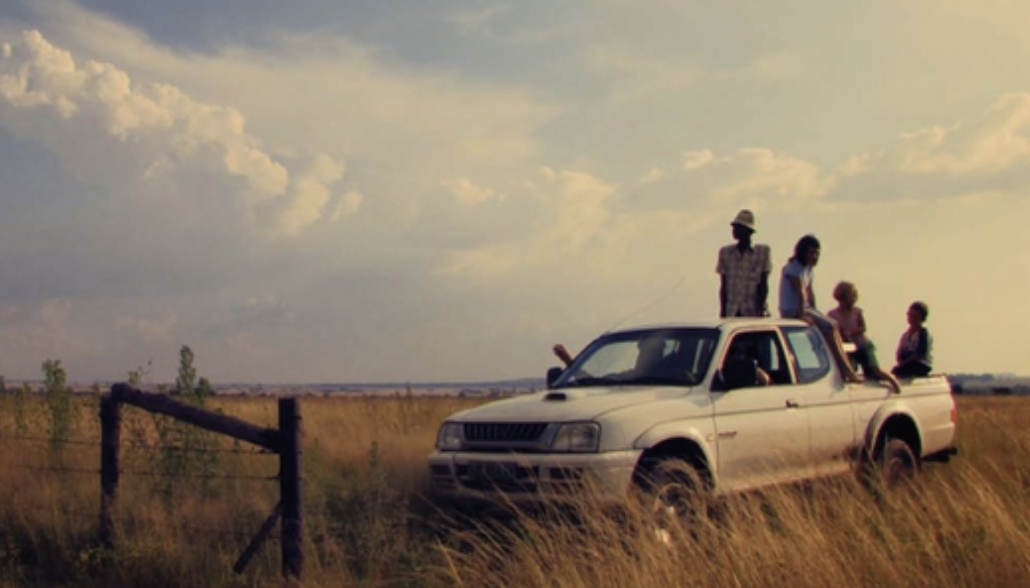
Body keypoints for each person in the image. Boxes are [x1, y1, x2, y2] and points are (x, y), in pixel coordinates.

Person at [778, 235, 862, 383]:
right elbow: (800, 293)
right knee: (829, 326)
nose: (814, 256)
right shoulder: (793, 268)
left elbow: (810, 294)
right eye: (810, 253)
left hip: (804, 307)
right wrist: (802, 315)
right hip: (792, 309)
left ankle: (844, 366)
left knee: (833, 325)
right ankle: (845, 369)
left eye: (816, 253)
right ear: (802, 252)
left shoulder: (808, 270)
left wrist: (817, 312)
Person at [828, 281, 901, 394]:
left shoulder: (857, 312)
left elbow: (863, 328)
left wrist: (851, 332)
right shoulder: (833, 315)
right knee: (847, 369)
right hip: (848, 347)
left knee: (873, 371)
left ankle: (893, 381)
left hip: (862, 344)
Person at [716, 210, 772, 318]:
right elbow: (724, 286)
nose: (734, 231)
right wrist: (723, 312)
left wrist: (761, 309)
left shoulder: (761, 253)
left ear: (748, 231)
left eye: (738, 228)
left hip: (752, 311)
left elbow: (763, 285)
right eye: (734, 227)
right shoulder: (726, 253)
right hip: (732, 311)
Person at [892, 301, 933, 378]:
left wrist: (904, 363)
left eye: (915, 316)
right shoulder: (905, 336)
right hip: (907, 363)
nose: (912, 319)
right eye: (910, 315)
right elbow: (899, 353)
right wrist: (901, 362)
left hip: (921, 365)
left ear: (922, 318)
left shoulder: (923, 334)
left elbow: (920, 354)